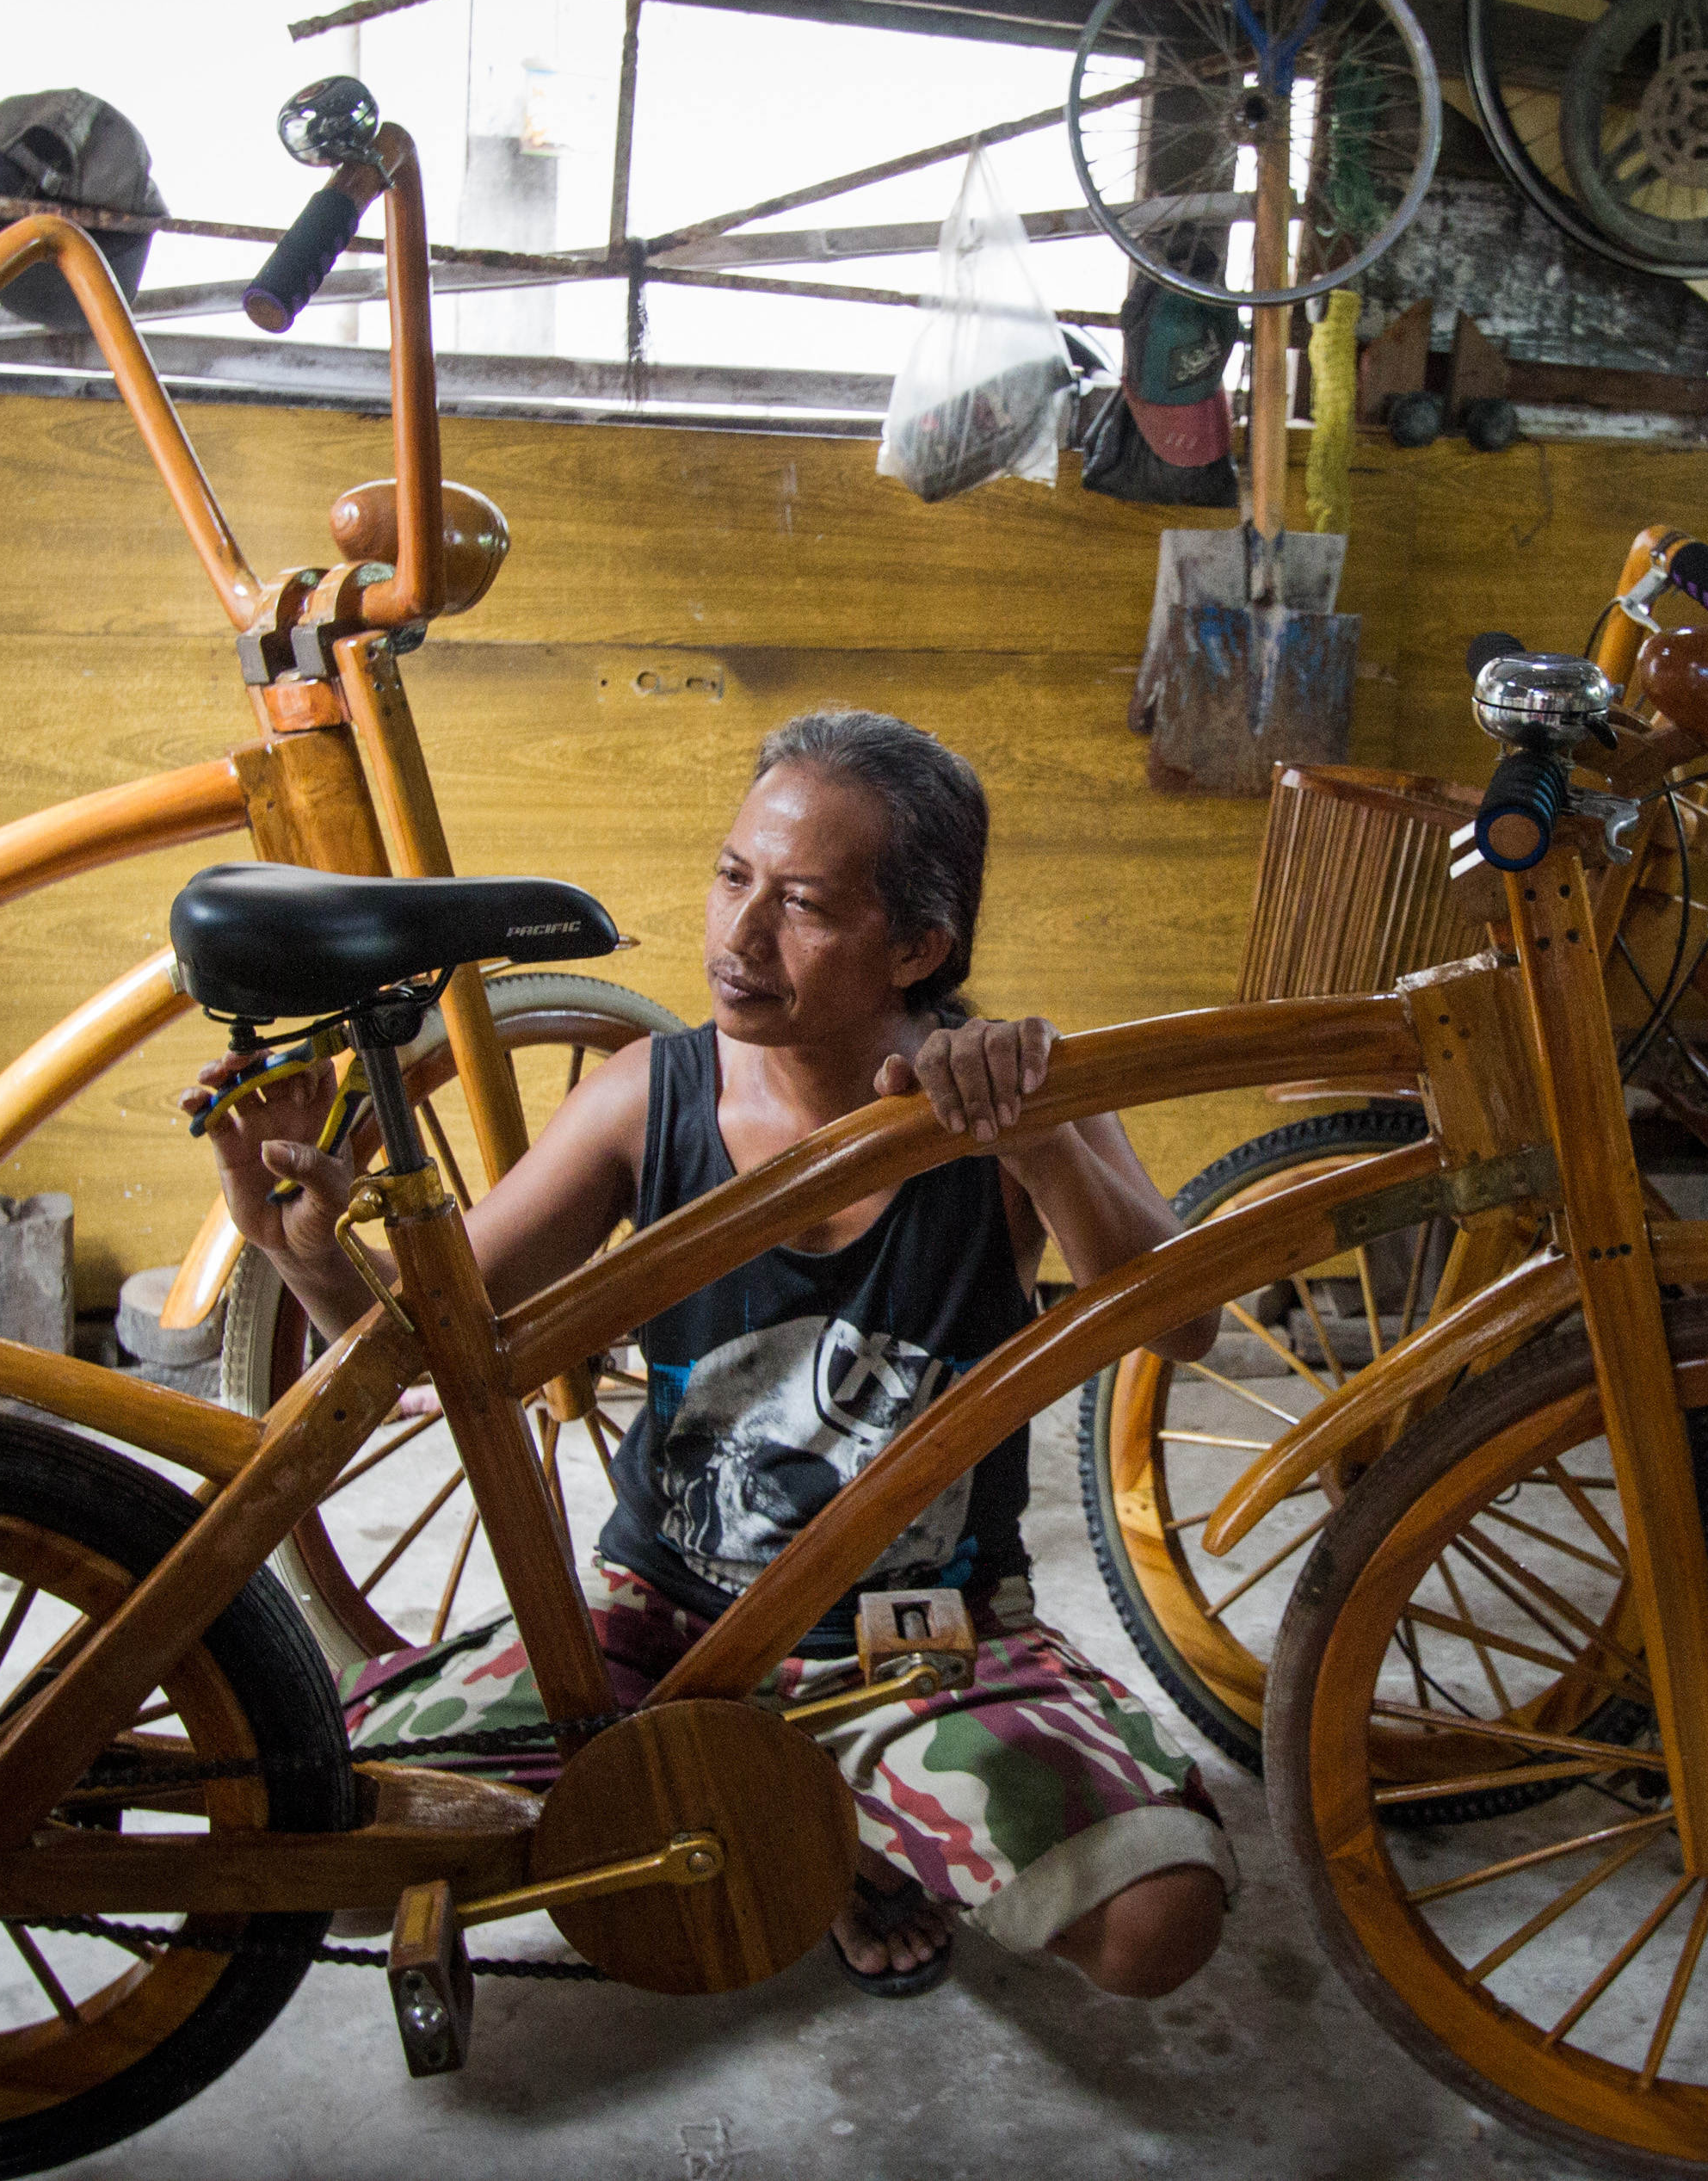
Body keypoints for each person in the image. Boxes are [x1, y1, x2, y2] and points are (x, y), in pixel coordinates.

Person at [184, 709, 1231, 1999]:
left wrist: (1041, 1140)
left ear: (918, 946)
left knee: (1157, 1926)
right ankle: (804, 1821)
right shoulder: (647, 1095)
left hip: (912, 1648)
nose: (738, 937)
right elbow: (438, 1352)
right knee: (308, 1839)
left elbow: (1184, 1324)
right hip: (655, 1635)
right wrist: (296, 1244)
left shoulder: (1015, 1089)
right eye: (733, 877)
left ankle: (821, 1813)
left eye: (802, 905)